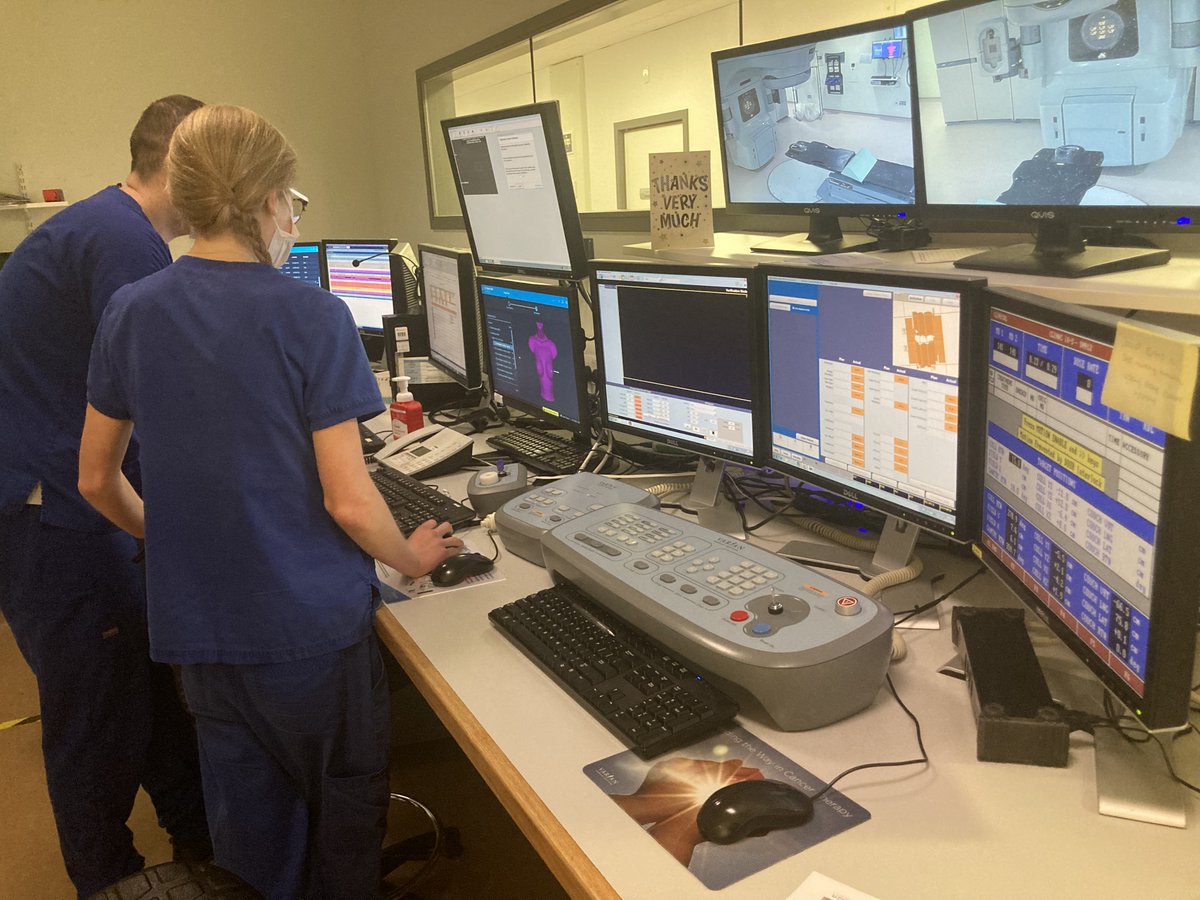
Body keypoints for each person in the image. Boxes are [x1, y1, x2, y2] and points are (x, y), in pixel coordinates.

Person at [78, 104, 464, 899]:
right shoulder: (313, 316)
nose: (292, 217)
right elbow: (351, 503)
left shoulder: (132, 311)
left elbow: (95, 479)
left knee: (252, 840)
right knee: (342, 823)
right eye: (292, 201)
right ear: (265, 202)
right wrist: (413, 556)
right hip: (309, 638)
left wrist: (176, 537)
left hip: (204, 635)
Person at [0, 94, 211, 897]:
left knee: (144, 690)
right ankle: (107, 882)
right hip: (55, 512)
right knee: (94, 719)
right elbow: (170, 406)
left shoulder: (100, 227)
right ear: (183, 164)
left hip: (49, 494)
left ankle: (197, 843)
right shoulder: (128, 248)